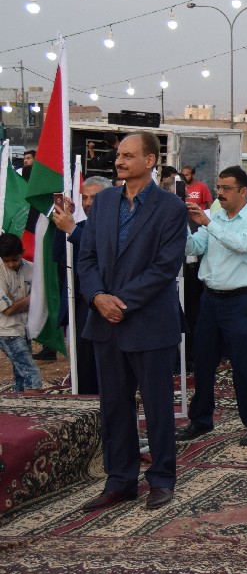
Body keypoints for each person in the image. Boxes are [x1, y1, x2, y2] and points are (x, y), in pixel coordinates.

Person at [78, 132, 189, 510]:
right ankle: (120, 480)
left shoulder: (170, 207)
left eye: (128, 155)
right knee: (114, 407)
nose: (119, 161)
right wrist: (97, 297)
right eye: (119, 155)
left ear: (150, 160)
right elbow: (87, 258)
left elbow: (164, 268)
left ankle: (161, 478)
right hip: (105, 322)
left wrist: (120, 303)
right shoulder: (105, 201)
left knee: (157, 407)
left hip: (149, 322)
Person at [180, 166, 247, 447]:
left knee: (243, 366)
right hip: (210, 300)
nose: (220, 193)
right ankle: (201, 419)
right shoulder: (218, 216)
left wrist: (208, 223)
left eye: (226, 188)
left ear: (243, 191)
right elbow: (195, 248)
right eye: (218, 187)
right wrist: (180, 227)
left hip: (241, 301)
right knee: (203, 363)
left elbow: (242, 244)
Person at [50, 175, 113, 397]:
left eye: (94, 198)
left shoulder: (118, 226)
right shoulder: (81, 226)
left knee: (108, 368)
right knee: (83, 366)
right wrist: (62, 225)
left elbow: (103, 252)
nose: (88, 203)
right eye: (84, 198)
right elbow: (58, 255)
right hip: (82, 305)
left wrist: (73, 230)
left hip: (108, 304)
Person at [0, 233, 41, 393]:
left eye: (15, 259)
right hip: (6, 331)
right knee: (32, 374)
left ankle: (21, 404)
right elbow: (8, 310)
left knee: (21, 374)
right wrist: (31, 298)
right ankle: (33, 406)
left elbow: (40, 301)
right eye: (6, 261)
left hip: (24, 328)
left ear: (22, 252)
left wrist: (17, 302)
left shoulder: (31, 268)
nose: (11, 264)